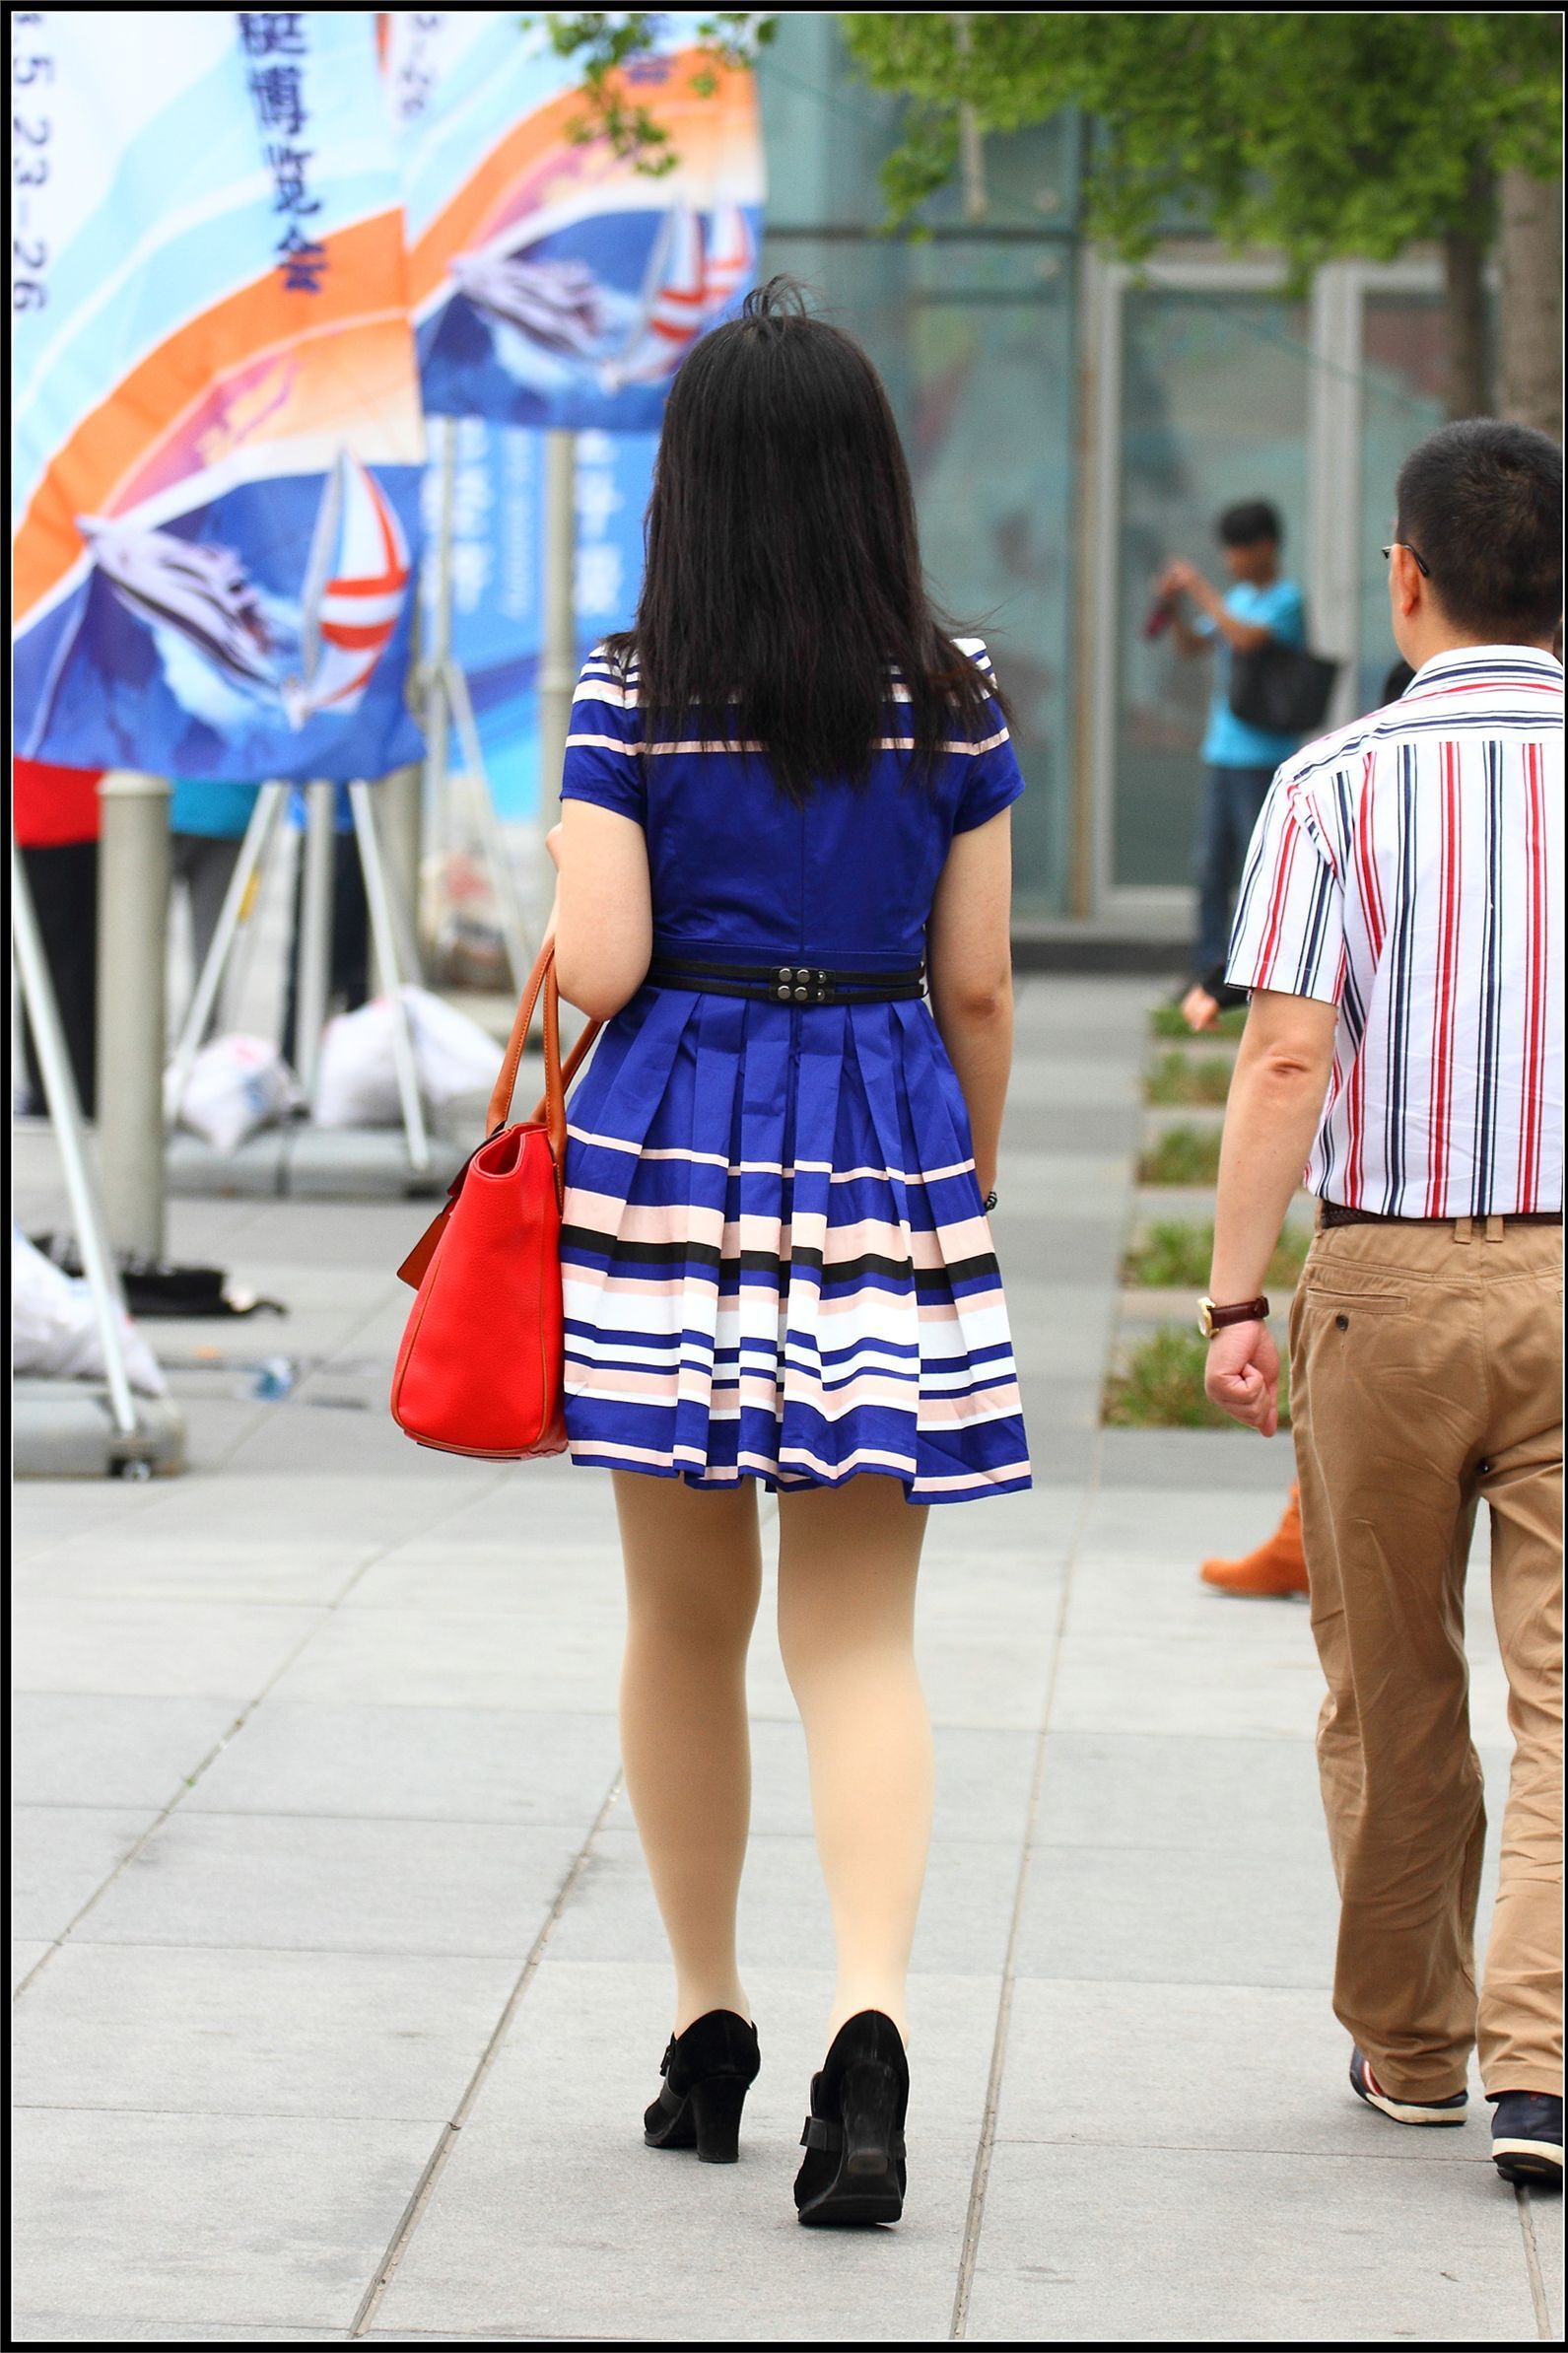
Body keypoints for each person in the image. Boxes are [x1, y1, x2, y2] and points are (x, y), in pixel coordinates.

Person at [543, 278, 1029, 2228]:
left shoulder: (629, 684)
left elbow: (597, 964)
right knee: (856, 1633)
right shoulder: (955, 689)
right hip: (879, 1147)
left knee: (681, 1618)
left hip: (671, 1154)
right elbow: (978, 980)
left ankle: (704, 2019)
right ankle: (870, 2022)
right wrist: (951, 1195)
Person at [1200, 418, 1563, 2187]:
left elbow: (1284, 1056)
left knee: (1393, 1682)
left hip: (1389, 1278)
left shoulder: (1332, 787)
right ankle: (1548, 2067)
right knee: (1566, 1693)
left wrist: (1230, 1297)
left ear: (1406, 576)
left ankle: (1418, 2050)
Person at [1154, 501, 1308, 1037]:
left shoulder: (1286, 600)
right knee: (1210, 868)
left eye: (1237, 548)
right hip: (1223, 753)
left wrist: (1198, 589)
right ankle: (1207, 973)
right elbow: (1195, 644)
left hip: (1266, 757)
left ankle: (1254, 977)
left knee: (1257, 870)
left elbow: (1244, 639)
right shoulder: (1236, 597)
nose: (1230, 559)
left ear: (1264, 546)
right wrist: (1175, 607)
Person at [13, 755, 102, 1117]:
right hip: (97, 810)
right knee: (87, 965)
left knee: (46, 968)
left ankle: (54, 1091)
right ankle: (84, 1086)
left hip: (37, 817)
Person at [281, 784, 369, 1072]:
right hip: (329, 823)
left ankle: (341, 1063)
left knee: (357, 967)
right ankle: (296, 1060)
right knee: (314, 960)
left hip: (358, 822)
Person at [170, 777, 259, 1038]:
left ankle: (134, 1042)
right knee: (213, 941)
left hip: (159, 798)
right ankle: (199, 1042)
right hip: (232, 806)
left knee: (137, 940)